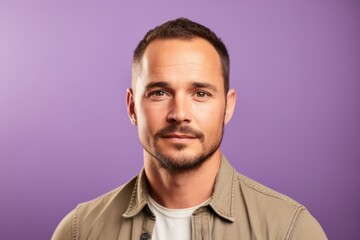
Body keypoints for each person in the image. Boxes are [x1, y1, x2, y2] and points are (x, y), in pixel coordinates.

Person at [52, 18, 327, 240]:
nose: (179, 114)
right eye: (159, 92)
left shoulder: (290, 230)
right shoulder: (79, 232)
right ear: (132, 107)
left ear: (227, 107)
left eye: (201, 94)